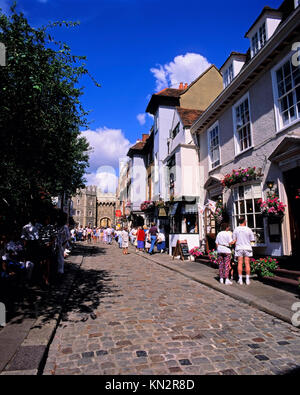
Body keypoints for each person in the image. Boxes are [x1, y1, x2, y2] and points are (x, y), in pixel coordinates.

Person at [232, 217, 256, 285]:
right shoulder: (248, 229)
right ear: (245, 221)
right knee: (247, 263)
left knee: (239, 263)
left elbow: (234, 239)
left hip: (239, 247)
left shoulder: (236, 229)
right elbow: (252, 240)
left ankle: (240, 279)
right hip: (247, 247)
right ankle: (247, 279)